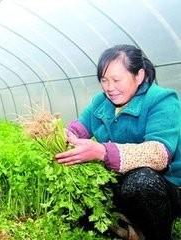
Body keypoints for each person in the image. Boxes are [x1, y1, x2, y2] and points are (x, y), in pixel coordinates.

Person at [55, 44, 181, 240]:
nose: (109, 87)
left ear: (139, 76)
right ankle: (129, 228)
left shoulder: (161, 100)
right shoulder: (101, 101)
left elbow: (159, 155)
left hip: (166, 186)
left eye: (116, 79)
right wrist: (62, 136)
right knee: (80, 191)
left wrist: (103, 152)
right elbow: (79, 128)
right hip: (120, 180)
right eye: (104, 80)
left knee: (141, 182)